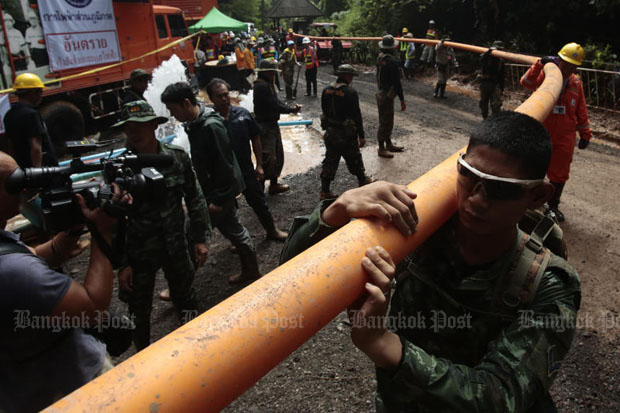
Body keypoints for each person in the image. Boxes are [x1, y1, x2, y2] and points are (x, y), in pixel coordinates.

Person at [280, 111, 580, 412]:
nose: (476, 198)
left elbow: (500, 397)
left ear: (538, 196)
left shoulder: (549, 283)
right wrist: (337, 212)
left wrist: (382, 344)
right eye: (468, 175)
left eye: (500, 188)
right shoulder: (416, 229)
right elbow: (288, 282)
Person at [0, 151, 127, 412]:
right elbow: (93, 308)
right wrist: (102, 229)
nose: (22, 187)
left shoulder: (8, 254)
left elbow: (29, 255)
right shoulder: (14, 273)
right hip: (70, 389)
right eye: (12, 182)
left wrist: (71, 230)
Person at [112, 101, 210, 350]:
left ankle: (196, 348)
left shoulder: (175, 157)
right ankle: (143, 359)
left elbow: (195, 196)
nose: (134, 132)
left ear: (154, 125)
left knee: (186, 299)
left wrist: (199, 238)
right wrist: (122, 264)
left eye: (141, 125)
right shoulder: (118, 166)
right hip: (139, 252)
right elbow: (113, 221)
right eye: (129, 127)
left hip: (176, 244)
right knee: (139, 309)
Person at [161, 82, 262, 284]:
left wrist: (220, 198)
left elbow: (225, 166)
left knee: (192, 232)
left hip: (218, 193)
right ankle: (252, 270)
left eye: (173, 110)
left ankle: (182, 285)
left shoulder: (210, 126)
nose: (173, 115)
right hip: (214, 190)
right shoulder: (196, 123)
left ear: (186, 103)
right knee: (233, 229)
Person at [207, 78, 288, 241]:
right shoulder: (210, 121)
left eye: (226, 94)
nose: (224, 99)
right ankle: (237, 239)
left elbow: (256, 138)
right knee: (229, 209)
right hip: (224, 173)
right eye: (219, 96)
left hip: (245, 169)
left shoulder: (242, 114)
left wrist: (259, 165)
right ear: (211, 99)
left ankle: (272, 230)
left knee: (259, 201)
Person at [520, 42, 592, 222]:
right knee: (532, 168)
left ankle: (552, 207)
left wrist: (585, 133)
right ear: (558, 59)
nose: (568, 68)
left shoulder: (576, 84)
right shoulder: (546, 75)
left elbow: (581, 109)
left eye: (572, 65)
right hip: (540, 130)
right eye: (565, 63)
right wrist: (539, 64)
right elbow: (526, 82)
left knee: (559, 174)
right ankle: (524, 202)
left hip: (564, 136)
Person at [319, 64, 372, 200]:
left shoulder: (326, 90)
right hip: (345, 134)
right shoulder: (350, 93)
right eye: (351, 76)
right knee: (354, 157)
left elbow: (324, 111)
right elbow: (356, 115)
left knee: (330, 159)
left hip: (331, 132)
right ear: (346, 76)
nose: (352, 79)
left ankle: (325, 190)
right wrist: (361, 135)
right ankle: (362, 180)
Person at [252, 59, 302, 195]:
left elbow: (277, 101)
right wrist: (291, 110)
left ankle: (273, 184)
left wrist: (290, 108)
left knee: (277, 154)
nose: (274, 74)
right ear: (267, 72)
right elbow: (274, 105)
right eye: (272, 72)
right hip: (265, 126)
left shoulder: (267, 84)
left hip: (271, 124)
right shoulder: (261, 86)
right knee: (267, 156)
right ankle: (260, 191)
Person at [4, 73, 57, 168]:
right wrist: (37, 172)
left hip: (22, 171)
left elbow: (10, 147)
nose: (41, 95)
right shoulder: (31, 115)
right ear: (33, 92)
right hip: (42, 171)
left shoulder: (9, 115)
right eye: (40, 91)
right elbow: (36, 147)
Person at [376, 34, 406, 158]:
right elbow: (397, 83)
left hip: (381, 91)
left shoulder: (380, 58)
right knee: (386, 122)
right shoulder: (391, 62)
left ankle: (388, 144)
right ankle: (381, 148)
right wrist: (402, 99)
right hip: (387, 94)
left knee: (385, 119)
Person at [479, 40, 506, 118]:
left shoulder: (501, 61)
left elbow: (502, 75)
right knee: (484, 103)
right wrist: (489, 51)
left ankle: (494, 119)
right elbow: (480, 60)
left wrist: (501, 88)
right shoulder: (486, 56)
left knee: (496, 104)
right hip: (485, 83)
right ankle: (485, 118)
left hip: (495, 84)